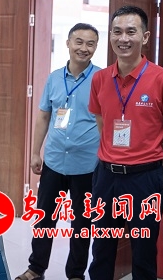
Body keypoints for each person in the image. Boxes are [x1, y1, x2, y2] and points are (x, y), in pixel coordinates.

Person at [88, 5, 163, 279]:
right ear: (110, 35)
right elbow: (102, 123)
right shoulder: (99, 79)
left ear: (145, 37)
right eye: (117, 32)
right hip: (105, 177)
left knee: (143, 253)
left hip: (144, 179)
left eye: (131, 31)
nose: (123, 38)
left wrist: (150, 162)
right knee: (101, 250)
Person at [16, 23, 101, 280]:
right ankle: (36, 268)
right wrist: (35, 152)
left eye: (90, 44)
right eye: (79, 42)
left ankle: (75, 274)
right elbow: (44, 116)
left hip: (87, 164)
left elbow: (107, 121)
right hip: (53, 160)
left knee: (81, 224)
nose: (84, 48)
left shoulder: (102, 79)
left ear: (96, 47)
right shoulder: (54, 78)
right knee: (45, 219)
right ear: (68, 43)